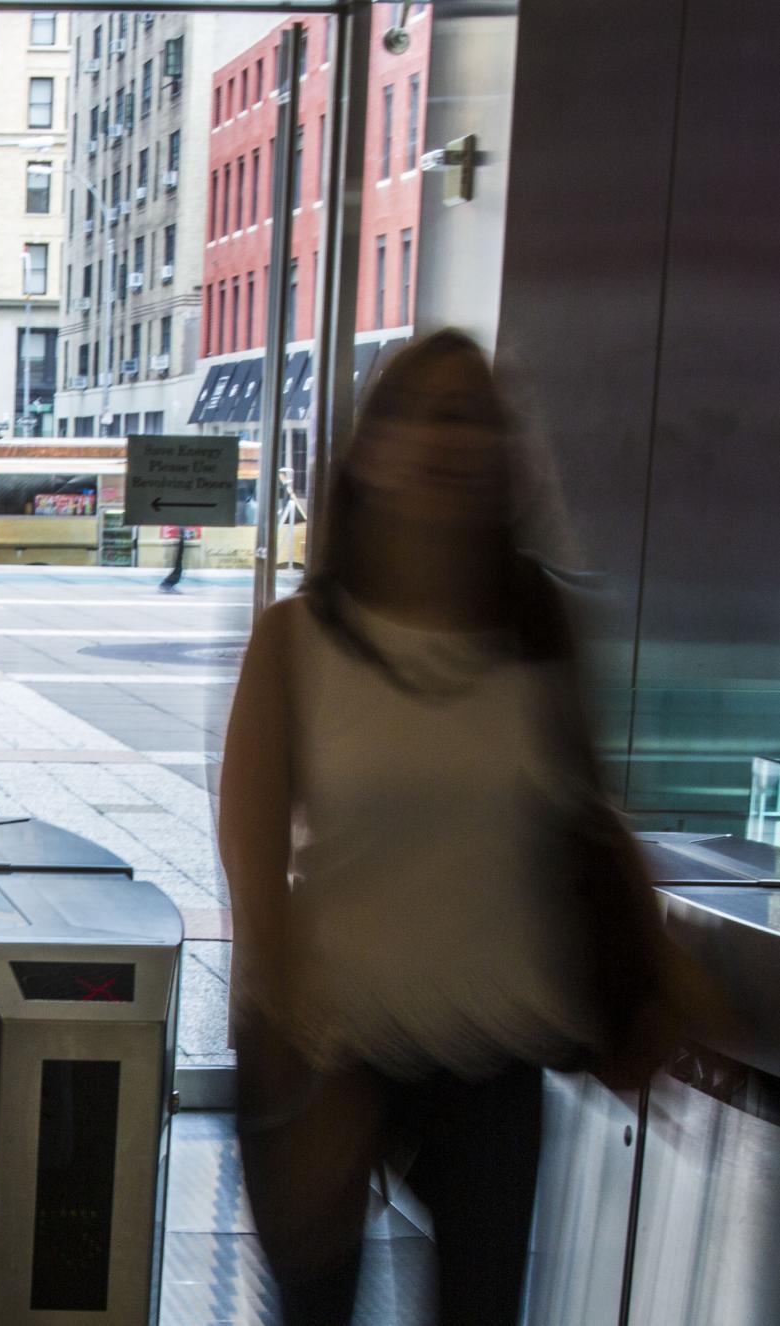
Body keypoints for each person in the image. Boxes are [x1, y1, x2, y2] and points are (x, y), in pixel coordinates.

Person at [218, 330, 668, 1325]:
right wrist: (296, 1061)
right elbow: (253, 881)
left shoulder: (535, 626)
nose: (446, 439)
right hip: (336, 1046)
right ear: (367, 450)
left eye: (472, 416)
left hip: (494, 1053)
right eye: (418, 412)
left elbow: (588, 817)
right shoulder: (296, 641)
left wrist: (667, 985)